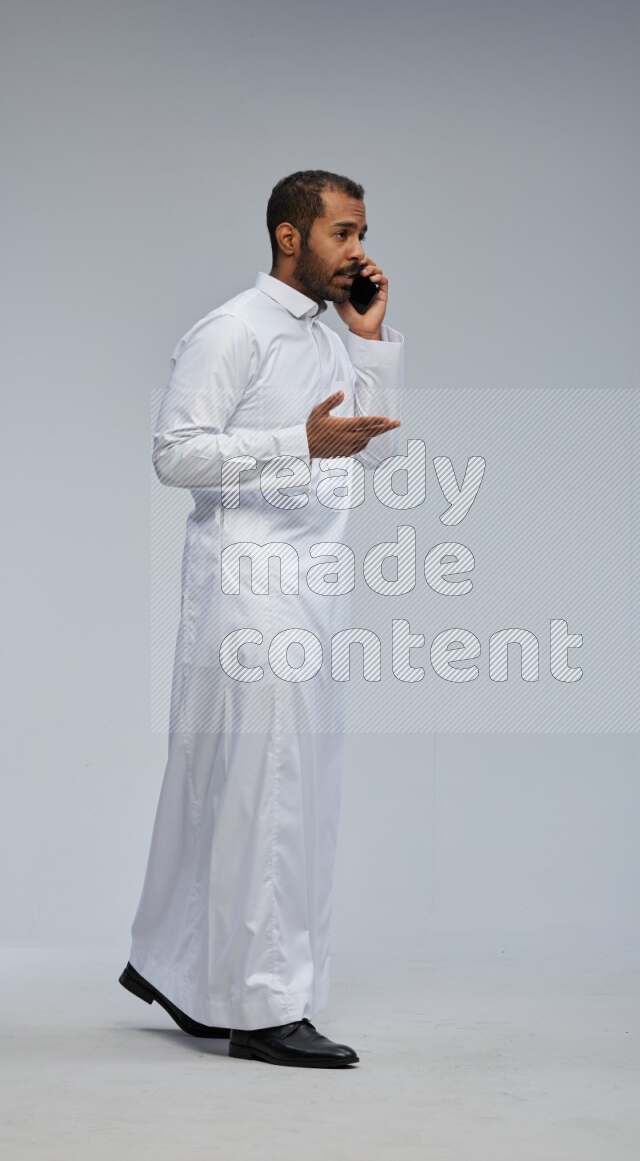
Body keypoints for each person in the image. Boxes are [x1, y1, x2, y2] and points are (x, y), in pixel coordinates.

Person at [119, 170, 404, 1068]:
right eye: (343, 233)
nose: (359, 249)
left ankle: (176, 965)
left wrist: (369, 342)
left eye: (362, 232)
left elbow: (370, 447)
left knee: (260, 784)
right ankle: (263, 1007)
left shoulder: (326, 338)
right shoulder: (232, 331)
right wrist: (296, 444)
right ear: (290, 236)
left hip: (310, 587)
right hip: (248, 589)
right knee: (265, 791)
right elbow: (174, 454)